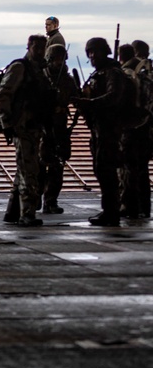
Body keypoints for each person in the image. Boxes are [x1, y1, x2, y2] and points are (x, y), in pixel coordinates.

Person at [0, 35, 54, 227]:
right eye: (36, 47)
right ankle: (27, 214)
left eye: (42, 48)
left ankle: (12, 212)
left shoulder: (40, 70)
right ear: (29, 47)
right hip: (23, 126)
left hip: (35, 126)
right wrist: (7, 123)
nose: (39, 51)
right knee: (29, 171)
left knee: (24, 169)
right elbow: (2, 94)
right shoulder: (21, 67)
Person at [73, 37, 127, 227]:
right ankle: (109, 210)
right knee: (101, 169)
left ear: (106, 52)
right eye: (90, 52)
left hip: (110, 129)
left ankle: (111, 212)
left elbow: (114, 97)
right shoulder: (99, 74)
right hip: (99, 128)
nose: (93, 56)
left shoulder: (113, 73)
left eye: (96, 51)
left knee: (107, 170)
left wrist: (91, 103)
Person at [39, 44, 79, 215]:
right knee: (39, 165)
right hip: (43, 127)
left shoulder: (67, 80)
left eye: (62, 58)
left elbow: (77, 98)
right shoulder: (41, 77)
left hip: (60, 127)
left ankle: (51, 200)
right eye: (56, 58)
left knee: (58, 166)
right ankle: (34, 199)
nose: (59, 62)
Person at [118, 43, 151, 218]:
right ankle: (144, 206)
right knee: (142, 168)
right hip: (147, 125)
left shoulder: (128, 71)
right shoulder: (148, 71)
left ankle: (128, 205)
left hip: (130, 125)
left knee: (127, 167)